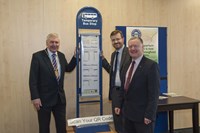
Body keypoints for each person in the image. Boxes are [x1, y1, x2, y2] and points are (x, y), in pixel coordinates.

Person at [29, 33, 76, 133]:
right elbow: (33, 79)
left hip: (59, 99)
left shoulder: (61, 56)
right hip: (43, 100)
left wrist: (75, 57)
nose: (54, 44)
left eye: (56, 42)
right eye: (52, 42)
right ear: (47, 43)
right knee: (44, 128)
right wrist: (35, 97)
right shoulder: (37, 56)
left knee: (61, 127)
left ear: (59, 44)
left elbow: (68, 68)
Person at [115, 36, 160, 133]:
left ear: (142, 47)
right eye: (130, 46)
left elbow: (154, 94)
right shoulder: (126, 65)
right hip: (127, 116)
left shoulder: (151, 66)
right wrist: (118, 104)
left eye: (136, 46)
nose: (132, 49)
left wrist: (149, 115)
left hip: (143, 117)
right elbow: (123, 88)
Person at [102, 30, 131, 133]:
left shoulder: (130, 52)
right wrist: (103, 60)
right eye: (113, 40)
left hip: (127, 92)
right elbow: (113, 72)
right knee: (117, 121)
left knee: (127, 121)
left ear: (123, 39)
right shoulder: (113, 55)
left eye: (118, 39)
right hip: (115, 92)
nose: (116, 42)